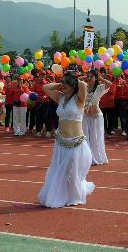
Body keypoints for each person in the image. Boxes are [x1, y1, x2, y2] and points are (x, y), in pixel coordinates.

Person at [37, 71, 95, 208]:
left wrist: (76, 78)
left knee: (72, 171)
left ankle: (73, 196)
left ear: (73, 85)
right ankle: (61, 195)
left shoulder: (79, 98)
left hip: (75, 142)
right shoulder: (60, 97)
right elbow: (45, 88)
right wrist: (62, 83)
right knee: (59, 170)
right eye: (62, 83)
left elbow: (83, 86)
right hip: (61, 142)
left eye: (66, 83)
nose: (63, 86)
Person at [82, 71, 111, 165]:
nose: (89, 78)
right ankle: (87, 157)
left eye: (91, 77)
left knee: (96, 137)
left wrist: (101, 78)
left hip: (95, 116)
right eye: (88, 76)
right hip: (85, 116)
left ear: (96, 78)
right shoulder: (84, 87)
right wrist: (84, 77)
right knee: (85, 137)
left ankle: (98, 158)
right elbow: (74, 82)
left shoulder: (99, 87)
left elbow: (109, 84)